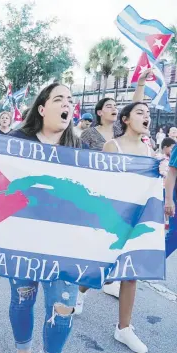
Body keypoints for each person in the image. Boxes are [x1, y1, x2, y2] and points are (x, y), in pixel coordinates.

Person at [7, 83, 82, 353]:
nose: (66, 104)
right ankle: (23, 349)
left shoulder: (78, 148)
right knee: (23, 300)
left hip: (65, 245)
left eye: (70, 101)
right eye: (59, 99)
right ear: (41, 108)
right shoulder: (17, 140)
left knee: (63, 309)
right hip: (23, 240)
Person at [97, 102, 153, 353]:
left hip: (137, 218)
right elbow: (100, 181)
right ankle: (80, 292)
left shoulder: (150, 151)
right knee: (102, 266)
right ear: (126, 119)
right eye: (140, 113)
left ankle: (124, 328)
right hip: (111, 217)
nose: (146, 117)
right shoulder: (113, 146)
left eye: (148, 114)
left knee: (131, 273)